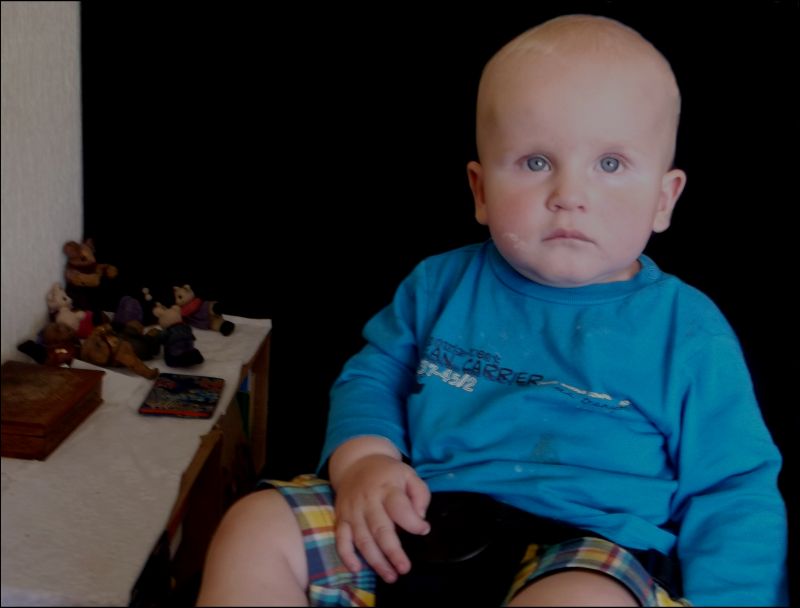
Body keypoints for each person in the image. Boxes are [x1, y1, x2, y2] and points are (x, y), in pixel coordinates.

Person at [196, 14, 788, 607]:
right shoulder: (439, 284)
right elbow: (374, 378)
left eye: (610, 164)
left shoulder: (688, 331)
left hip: (588, 549)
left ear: (664, 198)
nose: (569, 195)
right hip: (421, 519)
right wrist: (365, 462)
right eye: (536, 162)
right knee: (256, 527)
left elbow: (734, 490)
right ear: (480, 190)